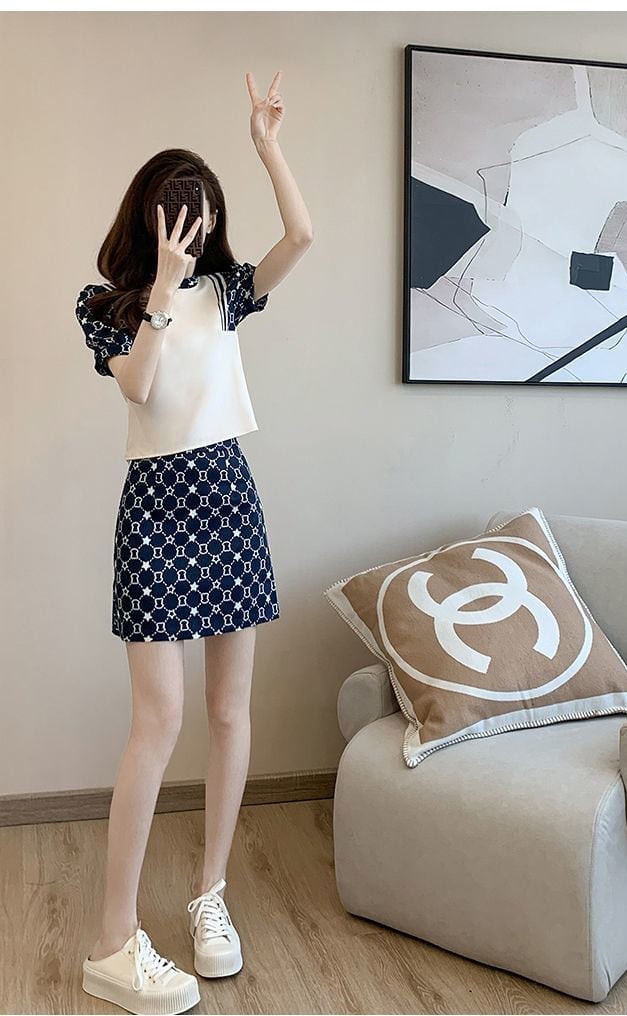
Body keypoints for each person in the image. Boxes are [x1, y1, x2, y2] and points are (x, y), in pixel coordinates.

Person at [74, 70, 313, 1016]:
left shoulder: (230, 292)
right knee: (159, 721)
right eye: (181, 211)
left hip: (229, 501)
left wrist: (266, 146)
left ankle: (210, 895)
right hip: (157, 511)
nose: (195, 225)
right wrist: (164, 291)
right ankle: (112, 938)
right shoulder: (108, 305)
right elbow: (137, 387)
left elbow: (302, 238)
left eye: (204, 212)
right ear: (153, 216)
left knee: (228, 711)